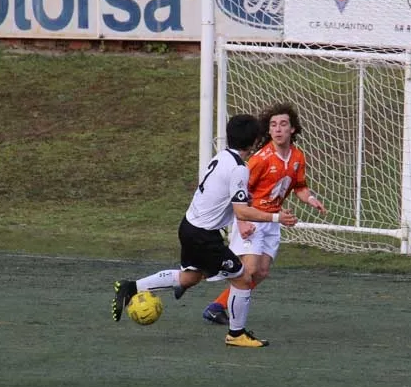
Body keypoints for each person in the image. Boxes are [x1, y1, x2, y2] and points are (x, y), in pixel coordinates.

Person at [111, 113, 299, 347]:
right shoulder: (239, 168)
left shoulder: (222, 156)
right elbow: (241, 212)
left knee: (189, 277)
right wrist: (277, 217)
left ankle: (131, 287)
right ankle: (236, 334)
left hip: (189, 226)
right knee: (243, 278)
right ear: (254, 142)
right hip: (203, 236)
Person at [201, 102, 326, 325]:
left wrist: (311, 199)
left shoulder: (297, 157)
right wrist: (241, 222)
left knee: (261, 273)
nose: (278, 129)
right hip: (253, 219)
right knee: (249, 270)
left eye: (283, 124)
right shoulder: (260, 159)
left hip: (273, 221)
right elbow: (239, 193)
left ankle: (216, 306)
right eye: (273, 125)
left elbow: (300, 187)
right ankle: (216, 284)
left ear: (292, 129)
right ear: (268, 130)